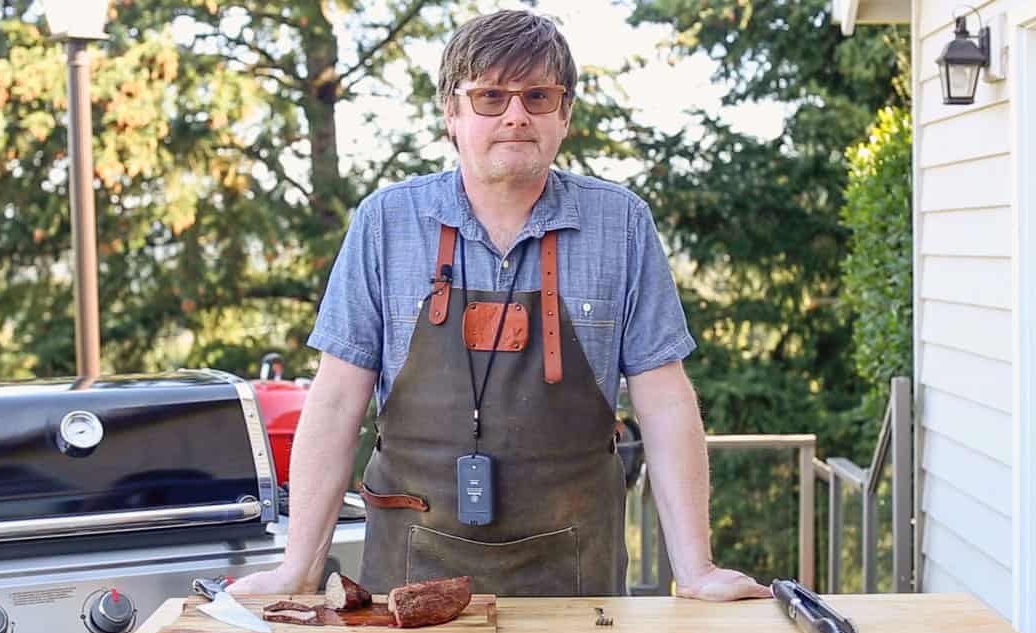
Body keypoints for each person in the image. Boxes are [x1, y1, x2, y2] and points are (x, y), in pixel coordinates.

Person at [229, 9, 770, 601]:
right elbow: (334, 404)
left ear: (564, 115)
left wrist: (695, 570)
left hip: (577, 580)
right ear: (452, 114)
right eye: (490, 96)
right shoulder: (386, 223)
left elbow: (664, 398)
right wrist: (298, 569)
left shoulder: (622, 225)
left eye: (538, 96)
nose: (516, 115)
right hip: (406, 580)